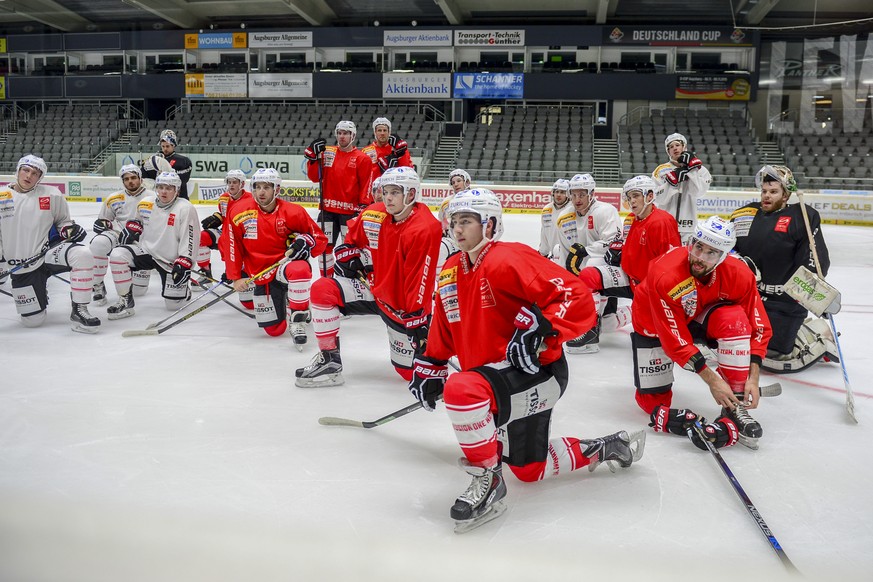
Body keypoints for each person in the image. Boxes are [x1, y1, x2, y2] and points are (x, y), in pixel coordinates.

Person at [408, 188, 645, 533]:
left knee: (462, 390)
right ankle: (607, 447)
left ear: (489, 224)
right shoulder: (449, 270)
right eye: (454, 222)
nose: (457, 229)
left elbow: (574, 295)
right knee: (529, 471)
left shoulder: (509, 258)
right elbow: (445, 325)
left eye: (467, 222)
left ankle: (488, 480)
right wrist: (430, 363)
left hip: (537, 372)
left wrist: (545, 325)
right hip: (493, 380)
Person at [631, 216, 772, 450]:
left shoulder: (740, 275)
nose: (699, 258)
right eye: (698, 247)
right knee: (652, 404)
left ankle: (734, 405)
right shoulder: (665, 274)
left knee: (734, 320)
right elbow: (673, 339)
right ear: (692, 242)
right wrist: (712, 381)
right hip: (654, 324)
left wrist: (753, 377)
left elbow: (759, 328)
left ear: (724, 256)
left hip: (697, 314)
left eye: (711, 253)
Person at [296, 167, 441, 387]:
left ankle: (435, 351)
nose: (388, 197)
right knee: (322, 289)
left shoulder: (425, 227)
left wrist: (417, 320)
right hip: (373, 289)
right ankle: (330, 360)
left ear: (411, 194)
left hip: (402, 304)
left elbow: (420, 279)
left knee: (407, 373)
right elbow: (349, 243)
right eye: (386, 191)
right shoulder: (374, 213)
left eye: (395, 192)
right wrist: (347, 256)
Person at [730, 165, 836, 373]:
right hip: (749, 297)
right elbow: (727, 247)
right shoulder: (746, 213)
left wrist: (813, 293)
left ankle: (814, 333)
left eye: (773, 192)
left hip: (784, 302)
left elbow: (815, 261)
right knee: (732, 341)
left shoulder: (801, 216)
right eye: (764, 191)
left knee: (774, 354)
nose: (766, 196)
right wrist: (737, 261)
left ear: (786, 195)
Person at [573, 175, 680, 350]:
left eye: (636, 195)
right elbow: (628, 244)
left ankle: (628, 313)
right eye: (629, 197)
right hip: (629, 277)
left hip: (650, 287)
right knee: (589, 274)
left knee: (645, 332)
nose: (632, 201)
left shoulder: (662, 222)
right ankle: (590, 331)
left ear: (650, 196)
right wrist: (617, 251)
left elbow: (672, 264)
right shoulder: (631, 219)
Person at [225, 168, 327, 346]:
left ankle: (298, 319)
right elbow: (231, 245)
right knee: (275, 330)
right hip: (260, 272)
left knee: (300, 268)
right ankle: (291, 299)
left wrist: (307, 241)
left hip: (283, 267)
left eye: (267, 187)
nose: (261, 192)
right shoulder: (239, 212)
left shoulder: (293, 212)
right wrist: (235, 276)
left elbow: (320, 239)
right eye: (257, 187)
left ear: (277, 189)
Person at [0, 155, 100, 333]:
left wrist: (70, 230)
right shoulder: (2, 197)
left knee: (82, 255)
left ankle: (79, 309)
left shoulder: (51, 194)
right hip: (22, 265)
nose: (29, 176)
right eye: (26, 170)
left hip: (48, 254)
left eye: (35, 173)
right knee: (33, 321)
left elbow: (64, 222)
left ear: (40, 177)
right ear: (18, 170)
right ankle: (39, 291)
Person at [106, 171, 200, 319]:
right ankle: (125, 300)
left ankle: (185, 291)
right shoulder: (146, 203)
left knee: (173, 305)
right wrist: (133, 228)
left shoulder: (185, 208)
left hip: (170, 260)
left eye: (169, 188)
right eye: (161, 187)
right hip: (147, 251)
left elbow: (190, 238)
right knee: (118, 255)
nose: (163, 191)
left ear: (177, 190)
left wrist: (185, 261)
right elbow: (137, 221)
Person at [559, 173, 623, 353]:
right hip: (584, 272)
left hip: (607, 268)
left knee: (608, 325)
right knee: (557, 253)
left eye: (582, 194)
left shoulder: (605, 210)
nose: (577, 199)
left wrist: (586, 251)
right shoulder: (565, 216)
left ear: (591, 193)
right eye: (573, 194)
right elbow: (565, 250)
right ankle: (588, 321)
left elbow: (615, 243)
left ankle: (591, 328)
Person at [304, 120, 373, 276]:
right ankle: (326, 280)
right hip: (327, 211)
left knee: (352, 248)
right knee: (324, 248)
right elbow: (315, 177)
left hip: (350, 213)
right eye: (340, 133)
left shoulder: (362, 159)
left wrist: (364, 205)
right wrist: (313, 159)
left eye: (346, 133)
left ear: (353, 135)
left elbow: (366, 184)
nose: (342, 137)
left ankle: (351, 280)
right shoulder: (327, 152)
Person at [89, 164, 155, 305]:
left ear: (140, 178)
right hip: (118, 235)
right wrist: (101, 224)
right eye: (126, 179)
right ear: (122, 181)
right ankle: (98, 284)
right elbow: (105, 221)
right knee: (98, 243)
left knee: (139, 293)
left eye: (133, 178)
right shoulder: (114, 198)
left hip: (141, 241)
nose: (130, 181)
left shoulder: (152, 197)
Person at [195, 169, 251, 287]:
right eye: (229, 182)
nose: (231, 184)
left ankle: (238, 270)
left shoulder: (251, 200)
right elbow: (226, 217)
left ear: (242, 184)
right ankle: (206, 274)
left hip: (243, 238)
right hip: (225, 234)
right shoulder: (223, 199)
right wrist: (218, 218)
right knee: (200, 238)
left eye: (234, 182)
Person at [652, 132, 712, 243]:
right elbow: (658, 198)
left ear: (684, 146)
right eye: (671, 147)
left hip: (688, 227)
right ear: (668, 151)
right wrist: (670, 183)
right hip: (665, 226)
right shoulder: (661, 170)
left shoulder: (700, 169)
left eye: (677, 145)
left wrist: (692, 171)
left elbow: (698, 192)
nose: (674, 148)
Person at [140, 129, 193, 200]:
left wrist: (166, 172)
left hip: (179, 199)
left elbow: (183, 180)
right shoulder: (154, 161)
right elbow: (143, 178)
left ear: (173, 146)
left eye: (167, 146)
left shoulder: (183, 161)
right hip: (160, 200)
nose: (165, 149)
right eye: (163, 146)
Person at [363, 117, 413, 182]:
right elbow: (364, 175)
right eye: (379, 130)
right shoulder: (366, 151)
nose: (382, 133)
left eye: (385, 130)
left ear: (389, 132)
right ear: (375, 132)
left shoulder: (399, 149)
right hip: (375, 189)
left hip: (395, 187)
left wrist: (401, 155)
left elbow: (408, 170)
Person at [537, 178, 570, 259]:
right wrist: (543, 252)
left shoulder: (573, 209)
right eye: (556, 191)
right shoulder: (547, 209)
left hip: (571, 256)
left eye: (562, 192)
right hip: (554, 256)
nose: (558, 195)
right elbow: (544, 233)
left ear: (568, 194)